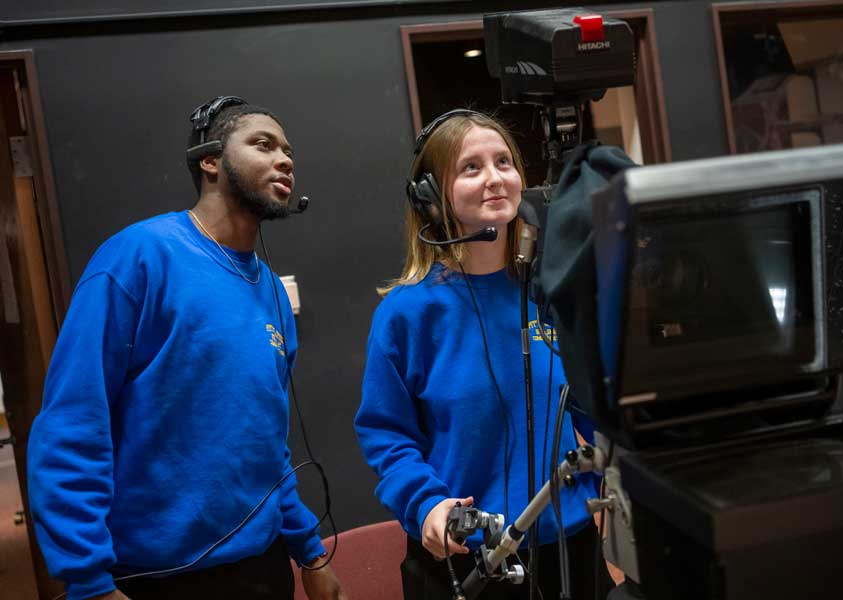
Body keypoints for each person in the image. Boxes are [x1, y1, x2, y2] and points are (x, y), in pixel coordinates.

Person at [27, 96, 345, 600]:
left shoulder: (272, 295)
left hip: (261, 570)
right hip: (153, 578)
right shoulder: (138, 257)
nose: (285, 159)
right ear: (210, 159)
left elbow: (266, 447)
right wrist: (87, 580)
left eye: (288, 151)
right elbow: (72, 424)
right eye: (263, 145)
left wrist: (309, 551)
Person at [354, 110, 615, 599]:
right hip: (469, 561)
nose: (495, 178)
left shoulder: (549, 293)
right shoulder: (408, 313)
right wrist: (426, 504)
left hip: (569, 548)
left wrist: (608, 469)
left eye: (504, 162)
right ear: (431, 197)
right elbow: (386, 435)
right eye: (471, 168)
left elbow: (589, 403)